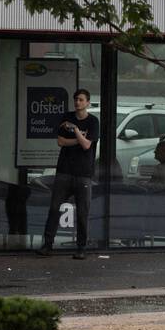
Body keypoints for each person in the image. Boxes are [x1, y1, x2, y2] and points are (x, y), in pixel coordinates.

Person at [37, 89, 100, 259]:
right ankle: (47, 245)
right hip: (64, 171)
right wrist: (79, 137)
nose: (77, 102)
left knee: (82, 212)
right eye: (76, 99)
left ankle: (81, 248)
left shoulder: (93, 121)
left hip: (83, 174)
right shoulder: (67, 117)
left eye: (81, 100)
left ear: (87, 102)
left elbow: (87, 145)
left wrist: (76, 130)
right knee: (54, 208)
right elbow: (60, 141)